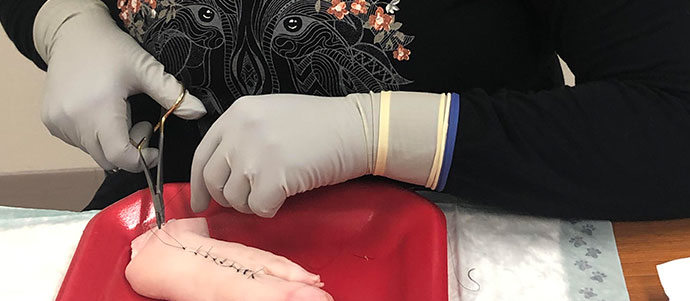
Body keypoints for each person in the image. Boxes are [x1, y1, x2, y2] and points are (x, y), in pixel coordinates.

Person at [2, 0, 690, 221]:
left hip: (472, 213)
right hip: (173, 212)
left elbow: (672, 116)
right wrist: (59, 21)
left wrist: (381, 133)